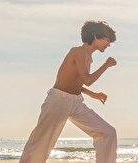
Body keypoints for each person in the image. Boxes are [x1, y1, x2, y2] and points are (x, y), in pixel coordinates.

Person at [20, 20, 118, 163]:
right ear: (96, 36)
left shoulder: (88, 57)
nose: (108, 44)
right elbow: (87, 79)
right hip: (58, 100)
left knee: (107, 132)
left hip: (76, 102)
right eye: (107, 40)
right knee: (41, 143)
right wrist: (106, 65)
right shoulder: (77, 52)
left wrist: (94, 95)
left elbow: (77, 83)